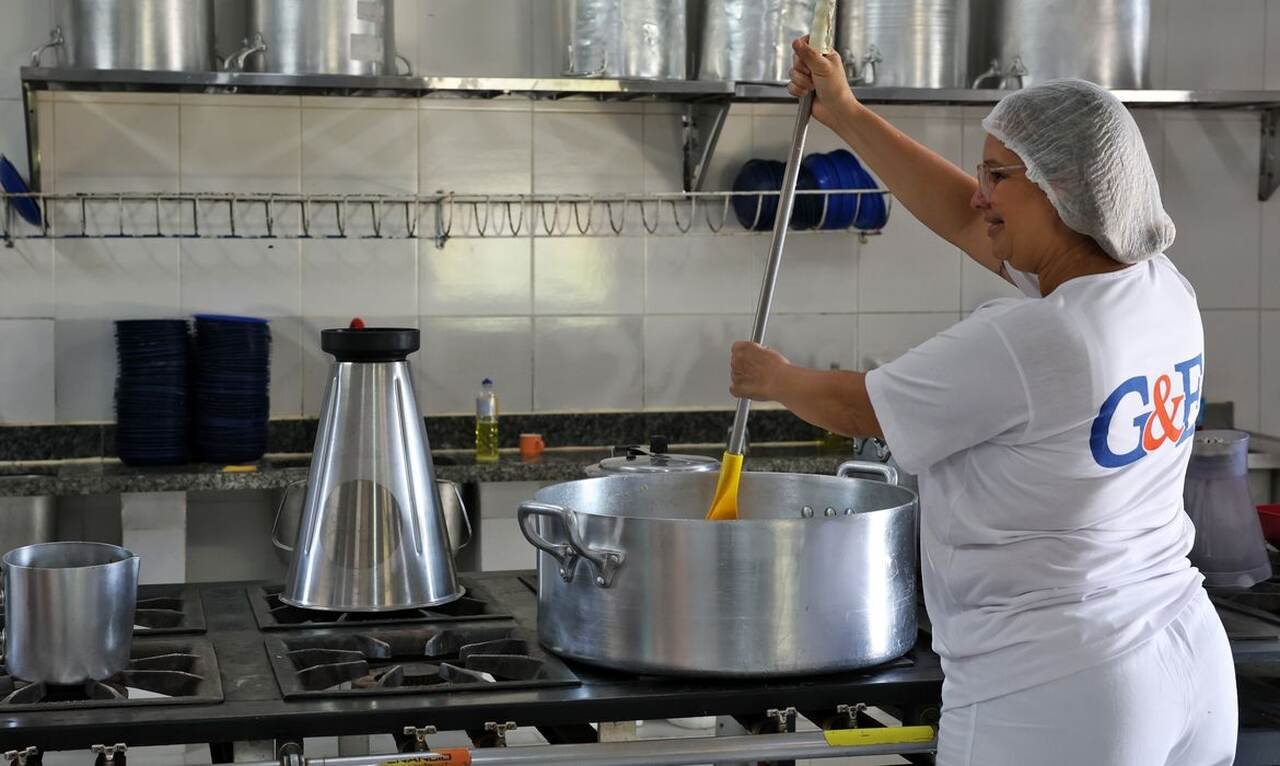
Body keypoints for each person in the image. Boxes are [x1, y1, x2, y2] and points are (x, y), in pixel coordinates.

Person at [727, 37, 1237, 765]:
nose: (979, 194)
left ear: (1062, 186)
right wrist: (846, 113)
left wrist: (772, 378)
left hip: (1060, 685)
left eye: (998, 175)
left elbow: (864, 409)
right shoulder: (1157, 289)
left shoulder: (1036, 339)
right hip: (1185, 655)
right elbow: (968, 222)